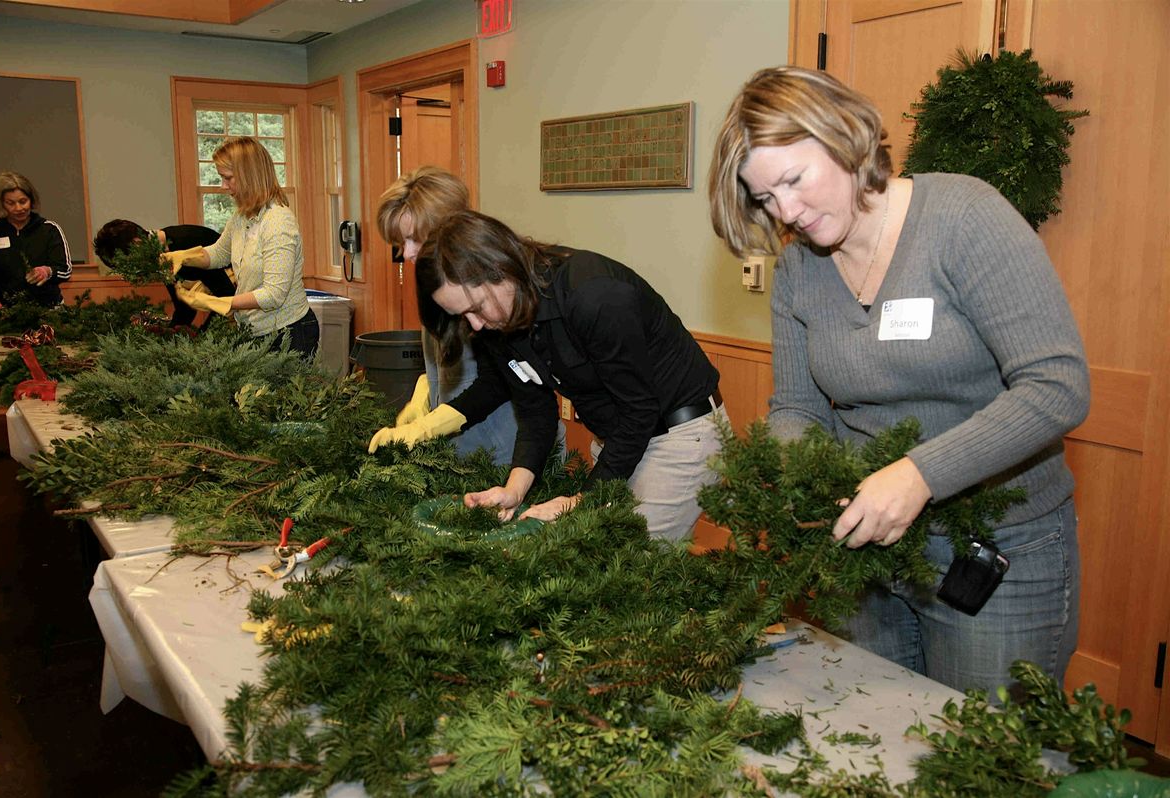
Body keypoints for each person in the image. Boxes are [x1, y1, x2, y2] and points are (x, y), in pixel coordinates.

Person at [708, 65, 1090, 694]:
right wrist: (788, 473)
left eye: (794, 181)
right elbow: (799, 407)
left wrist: (917, 476)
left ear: (845, 137)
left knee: (981, 764)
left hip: (997, 552)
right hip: (864, 546)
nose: (788, 212)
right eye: (766, 199)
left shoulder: (964, 219)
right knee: (877, 739)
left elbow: (1057, 386)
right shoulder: (801, 269)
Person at [370, 210, 727, 541]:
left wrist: (579, 501)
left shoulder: (593, 294)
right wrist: (514, 489)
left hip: (679, 435)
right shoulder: (498, 320)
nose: (476, 324)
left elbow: (639, 411)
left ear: (498, 267)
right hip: (623, 439)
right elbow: (535, 409)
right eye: (463, 317)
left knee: (625, 568)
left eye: (476, 308)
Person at [376, 166, 536, 466]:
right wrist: (426, 392)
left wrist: (428, 427)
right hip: (459, 453)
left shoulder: (490, 291)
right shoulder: (434, 283)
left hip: (505, 456)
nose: (407, 254)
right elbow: (445, 359)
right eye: (401, 243)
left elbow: (498, 382)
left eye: (414, 240)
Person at [162, 137, 317, 357]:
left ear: (249, 176)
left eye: (228, 178)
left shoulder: (278, 222)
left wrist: (218, 303)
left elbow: (273, 295)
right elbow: (218, 253)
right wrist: (181, 257)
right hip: (256, 330)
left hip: (289, 334)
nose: (223, 186)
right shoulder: (241, 217)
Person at [93, 219, 235, 327]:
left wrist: (203, 336)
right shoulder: (161, 256)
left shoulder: (185, 245)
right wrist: (171, 334)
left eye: (130, 265)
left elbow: (226, 296)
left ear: (137, 244)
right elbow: (184, 308)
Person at [0, 171, 72, 310]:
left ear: (31, 200)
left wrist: (47, 271)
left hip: (49, 310)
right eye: (11, 203)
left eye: (23, 201)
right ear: (1, 204)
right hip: (6, 313)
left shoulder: (49, 230)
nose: (19, 208)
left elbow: (65, 270)